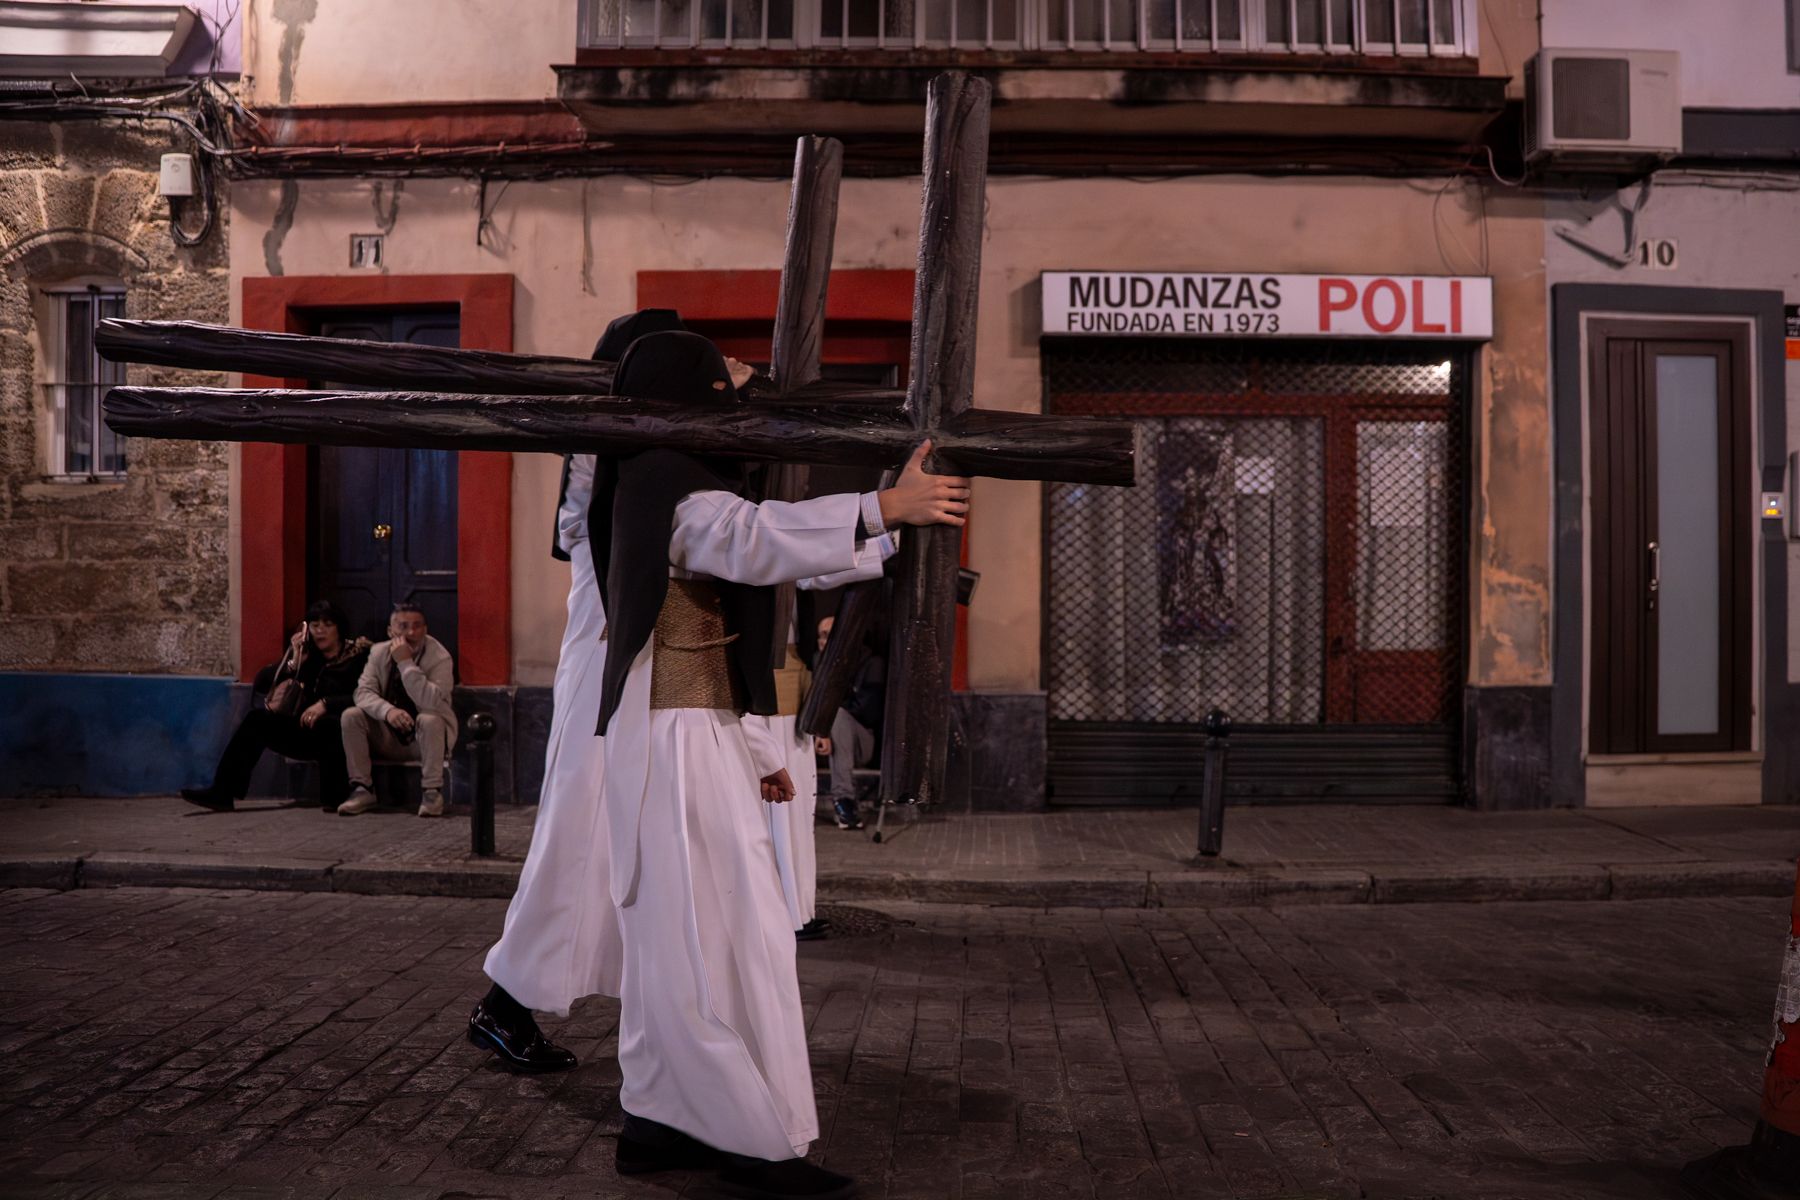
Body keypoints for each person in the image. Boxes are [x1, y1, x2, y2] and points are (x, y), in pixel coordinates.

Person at [591, 331, 966, 1199]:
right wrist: (883, 509)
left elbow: (742, 561)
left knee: (683, 937)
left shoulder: (655, 480)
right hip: (677, 739)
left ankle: (654, 1119)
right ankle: (745, 1138)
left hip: (693, 730)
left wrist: (755, 748)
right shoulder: (667, 483)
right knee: (720, 932)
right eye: (722, 383)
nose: (738, 392)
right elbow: (748, 540)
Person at [470, 309, 687, 1074]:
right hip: (603, 682)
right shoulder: (602, 469)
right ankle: (506, 1003)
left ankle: (664, 1010)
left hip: (631, 683)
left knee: (627, 852)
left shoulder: (627, 464)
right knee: (574, 846)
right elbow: (591, 523)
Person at [180, 600, 371, 813]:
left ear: (339, 628)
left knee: (329, 724)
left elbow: (366, 696)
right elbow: (265, 683)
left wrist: (326, 704)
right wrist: (293, 661)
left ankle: (335, 796)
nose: (320, 631)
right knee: (257, 720)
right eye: (315, 625)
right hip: (305, 730)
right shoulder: (309, 658)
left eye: (327, 625)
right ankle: (222, 792)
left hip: (340, 732)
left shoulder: (357, 656)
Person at [338, 603, 458, 817]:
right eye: (403, 626)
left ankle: (432, 793)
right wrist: (388, 711)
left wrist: (405, 663)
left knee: (431, 719)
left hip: (424, 741)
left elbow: (431, 701)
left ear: (425, 629)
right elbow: (362, 693)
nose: (411, 632)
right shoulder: (378, 652)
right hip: (387, 735)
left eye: (417, 626)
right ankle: (362, 789)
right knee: (351, 716)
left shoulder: (440, 657)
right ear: (390, 631)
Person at [815, 614, 885, 832]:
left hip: (862, 741)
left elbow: (867, 710)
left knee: (838, 716)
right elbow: (812, 705)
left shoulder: (871, 663)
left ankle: (843, 800)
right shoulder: (818, 663)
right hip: (822, 741)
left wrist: (826, 726)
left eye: (830, 635)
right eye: (822, 636)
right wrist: (821, 732)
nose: (825, 641)